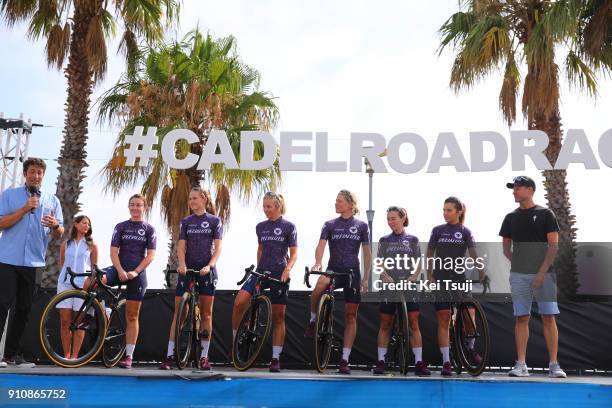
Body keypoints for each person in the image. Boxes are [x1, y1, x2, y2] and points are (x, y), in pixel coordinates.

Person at [500, 176, 566, 378]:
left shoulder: (545, 214)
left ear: (530, 190)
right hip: (519, 276)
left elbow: (553, 246)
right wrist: (520, 267)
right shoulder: (510, 217)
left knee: (548, 317)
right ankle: (521, 364)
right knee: (521, 317)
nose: (514, 192)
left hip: (545, 275)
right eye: (513, 188)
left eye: (517, 188)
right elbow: (506, 248)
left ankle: (554, 365)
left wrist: (540, 272)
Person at [0, 157, 64, 368]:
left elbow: (60, 233)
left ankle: (11, 355)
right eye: (32, 172)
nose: (36, 176)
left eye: (40, 173)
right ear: (25, 174)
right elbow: (1, 223)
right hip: (7, 260)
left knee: (25, 309)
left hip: (34, 263)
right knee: (2, 305)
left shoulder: (52, 200)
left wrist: (55, 225)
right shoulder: (10, 195)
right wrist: (24, 209)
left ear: (43, 176)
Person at [304, 189, 371, 375]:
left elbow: (367, 253)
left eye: (340, 201)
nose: (336, 203)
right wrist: (318, 262)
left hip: (352, 272)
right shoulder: (330, 224)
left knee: (351, 316)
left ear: (350, 204)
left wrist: (365, 278)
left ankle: (344, 359)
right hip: (333, 269)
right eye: (336, 201)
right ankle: (313, 319)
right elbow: (321, 245)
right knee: (319, 286)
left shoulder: (362, 226)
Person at [231, 192, 297, 372]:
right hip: (261, 270)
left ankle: (275, 358)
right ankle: (237, 340)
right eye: (264, 206)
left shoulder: (289, 226)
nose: (266, 210)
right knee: (239, 303)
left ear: (278, 207)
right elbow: (260, 249)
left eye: (269, 206)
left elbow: (294, 253)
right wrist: (259, 267)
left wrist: (287, 270)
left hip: (279, 272)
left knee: (278, 317)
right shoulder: (260, 227)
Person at [160, 187, 222, 371]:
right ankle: (170, 356)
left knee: (206, 314)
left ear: (204, 199)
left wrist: (209, 265)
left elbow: (218, 248)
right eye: (189, 199)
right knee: (179, 314)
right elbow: (180, 247)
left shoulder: (214, 221)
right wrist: (181, 264)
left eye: (195, 198)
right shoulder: (186, 221)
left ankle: (204, 357)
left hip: (206, 270)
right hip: (187, 270)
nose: (191, 201)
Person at [426, 196, 485, 376]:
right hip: (441, 278)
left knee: (469, 314)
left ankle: (470, 348)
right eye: (443, 210)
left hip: (459, 278)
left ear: (458, 212)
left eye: (449, 210)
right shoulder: (437, 230)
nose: (445, 213)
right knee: (444, 319)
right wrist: (429, 275)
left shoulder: (465, 231)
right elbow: (429, 254)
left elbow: (474, 254)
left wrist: (481, 272)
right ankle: (446, 362)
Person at [373, 206, 430, 376]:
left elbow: (419, 262)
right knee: (385, 324)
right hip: (389, 285)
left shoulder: (413, 239)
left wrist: (414, 276)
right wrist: (385, 275)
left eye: (393, 218)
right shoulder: (384, 240)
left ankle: (419, 362)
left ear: (403, 218)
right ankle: (381, 361)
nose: (390, 222)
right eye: (388, 219)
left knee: (413, 324)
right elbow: (379, 262)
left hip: (408, 284)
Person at [102, 194, 156, 369]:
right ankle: (99, 311)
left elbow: (151, 255)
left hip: (137, 274)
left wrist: (135, 271)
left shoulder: (149, 229)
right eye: (132, 204)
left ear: (144, 208)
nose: (135, 208)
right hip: (119, 268)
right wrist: (120, 271)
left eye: (138, 205)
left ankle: (129, 356)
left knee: (132, 316)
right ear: (128, 207)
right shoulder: (121, 226)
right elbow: (113, 252)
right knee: (93, 280)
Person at [56, 215, 98, 360]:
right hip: (65, 285)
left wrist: (88, 284)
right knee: (65, 322)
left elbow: (94, 269)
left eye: (88, 224)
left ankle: (75, 357)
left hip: (82, 287)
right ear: (76, 224)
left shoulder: (92, 245)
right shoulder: (66, 244)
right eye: (84, 223)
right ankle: (66, 356)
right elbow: (62, 264)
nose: (87, 226)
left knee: (79, 322)